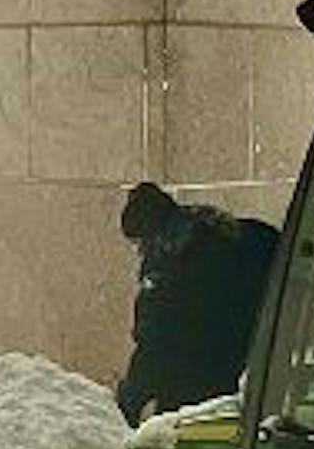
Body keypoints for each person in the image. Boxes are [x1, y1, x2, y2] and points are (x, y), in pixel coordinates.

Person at [114, 181, 280, 425]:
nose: (139, 252)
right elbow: (301, 283)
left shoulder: (167, 265)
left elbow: (154, 341)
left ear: (149, 234)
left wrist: (130, 401)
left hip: (196, 394)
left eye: (139, 243)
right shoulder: (249, 235)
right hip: (255, 384)